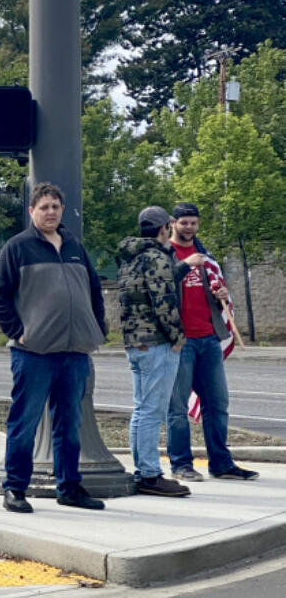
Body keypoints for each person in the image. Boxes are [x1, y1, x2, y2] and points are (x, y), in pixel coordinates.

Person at [0, 182, 107, 514]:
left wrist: (98, 327)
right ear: (31, 211)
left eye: (56, 206)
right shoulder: (18, 247)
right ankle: (14, 488)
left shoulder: (74, 246)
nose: (51, 211)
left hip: (75, 352)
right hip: (33, 354)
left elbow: (95, 290)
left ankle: (69, 487)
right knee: (24, 422)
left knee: (69, 423)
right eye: (44, 207)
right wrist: (17, 331)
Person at [166, 202, 259, 481]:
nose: (189, 227)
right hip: (180, 341)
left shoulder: (206, 256)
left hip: (208, 337)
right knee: (177, 407)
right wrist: (183, 265)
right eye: (184, 223)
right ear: (173, 223)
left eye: (193, 223)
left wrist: (219, 293)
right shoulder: (166, 254)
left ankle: (220, 462)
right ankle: (181, 464)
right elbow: (160, 287)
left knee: (217, 403)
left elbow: (213, 290)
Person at [117, 206, 204, 498]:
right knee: (153, 411)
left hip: (136, 342)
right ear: (164, 228)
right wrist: (178, 338)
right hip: (157, 343)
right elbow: (163, 301)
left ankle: (143, 470)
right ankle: (151, 475)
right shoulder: (157, 257)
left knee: (141, 409)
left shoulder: (131, 257)